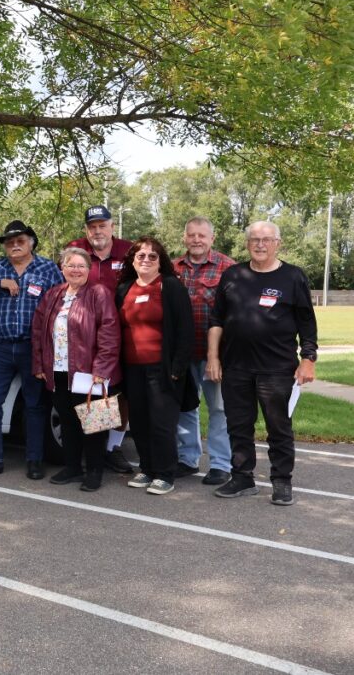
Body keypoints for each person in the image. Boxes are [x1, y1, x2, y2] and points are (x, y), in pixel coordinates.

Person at [207, 220, 317, 506]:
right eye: (254, 239)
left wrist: (308, 360)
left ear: (277, 243)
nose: (260, 244)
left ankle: (282, 482)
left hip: (277, 369)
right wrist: (213, 357)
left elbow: (307, 323)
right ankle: (242, 477)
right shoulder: (233, 275)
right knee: (238, 425)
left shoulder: (293, 277)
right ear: (247, 243)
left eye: (266, 239)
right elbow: (216, 319)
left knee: (279, 428)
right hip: (236, 367)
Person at [0, 220, 63, 480]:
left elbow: (63, 297)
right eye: (10, 242)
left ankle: (34, 461)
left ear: (31, 242)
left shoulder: (48, 268)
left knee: (35, 406)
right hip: (2, 348)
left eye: (20, 241)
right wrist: (0, 282)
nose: (14, 245)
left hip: (34, 347)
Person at [32, 247, 121, 491]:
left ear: (89, 269)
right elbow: (38, 330)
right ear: (62, 269)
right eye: (70, 265)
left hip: (89, 373)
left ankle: (94, 471)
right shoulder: (53, 295)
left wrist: (102, 368)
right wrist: (40, 364)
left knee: (94, 423)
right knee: (68, 421)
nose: (76, 270)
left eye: (81, 265)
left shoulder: (98, 293)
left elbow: (109, 331)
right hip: (59, 371)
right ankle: (72, 468)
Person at [115, 237, 196, 495]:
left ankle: (165, 473)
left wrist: (177, 368)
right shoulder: (125, 288)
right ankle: (147, 468)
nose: (146, 260)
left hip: (163, 369)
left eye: (152, 256)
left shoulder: (170, 286)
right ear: (132, 260)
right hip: (132, 369)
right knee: (138, 422)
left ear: (161, 261)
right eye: (141, 256)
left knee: (162, 423)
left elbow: (185, 330)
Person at [67, 205, 135, 474]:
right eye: (92, 226)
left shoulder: (129, 251)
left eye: (102, 225)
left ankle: (111, 447)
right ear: (86, 229)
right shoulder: (77, 249)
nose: (97, 231)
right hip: (84, 335)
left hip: (124, 332)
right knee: (91, 390)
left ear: (112, 227)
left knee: (120, 394)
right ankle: (92, 447)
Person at [172, 216, 235, 486]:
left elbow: (236, 313)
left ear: (212, 238)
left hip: (216, 354)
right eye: (192, 235)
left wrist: (219, 355)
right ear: (185, 237)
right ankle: (187, 458)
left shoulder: (228, 268)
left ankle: (221, 464)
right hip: (183, 353)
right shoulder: (172, 268)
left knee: (219, 409)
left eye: (202, 235)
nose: (196, 240)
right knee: (186, 407)